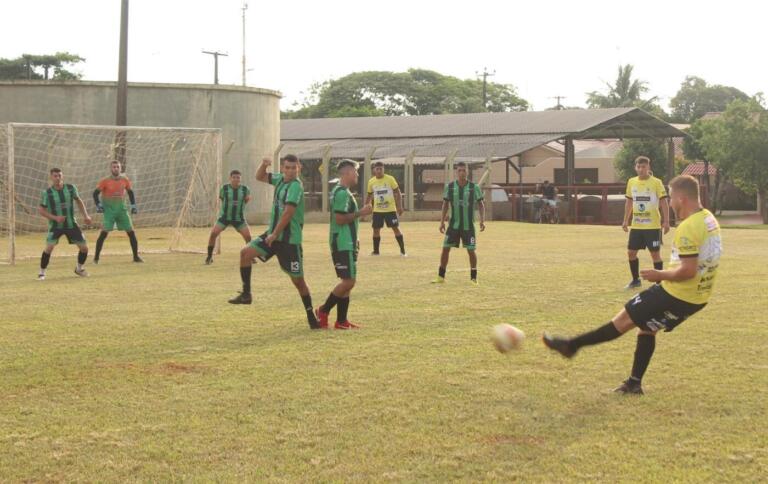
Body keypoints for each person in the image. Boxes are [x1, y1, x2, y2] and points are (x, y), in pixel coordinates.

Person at [543, 175, 721, 395]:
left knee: (624, 319)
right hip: (698, 298)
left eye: (672, 196)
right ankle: (634, 383)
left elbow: (687, 271)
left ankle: (571, 346)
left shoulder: (688, 227)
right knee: (647, 328)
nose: (670, 201)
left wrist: (660, 274)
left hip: (677, 293)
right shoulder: (709, 219)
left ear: (682, 198)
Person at [228, 155, 321, 330]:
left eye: (294, 168)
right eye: (288, 168)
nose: (291, 171)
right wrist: (263, 165)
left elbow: (288, 213)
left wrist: (275, 234)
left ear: (299, 168)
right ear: (283, 168)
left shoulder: (296, 187)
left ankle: (311, 317)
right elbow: (259, 176)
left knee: (298, 282)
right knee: (245, 253)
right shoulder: (279, 180)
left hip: (289, 241)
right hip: (273, 235)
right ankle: (246, 294)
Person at [316, 160, 373, 329]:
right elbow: (340, 219)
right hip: (342, 242)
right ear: (347, 173)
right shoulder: (341, 193)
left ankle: (341, 321)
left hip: (348, 241)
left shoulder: (343, 192)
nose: (357, 175)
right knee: (349, 282)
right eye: (355, 172)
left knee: (348, 281)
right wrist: (361, 213)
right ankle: (323, 310)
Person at [431, 162, 486, 285]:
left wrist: (482, 220)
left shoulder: (474, 187)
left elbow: (481, 204)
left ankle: (474, 278)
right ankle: (441, 277)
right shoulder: (450, 187)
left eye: (464, 170)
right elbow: (445, 204)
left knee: (471, 251)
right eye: (460, 170)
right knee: (445, 249)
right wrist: (441, 222)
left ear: (467, 172)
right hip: (453, 226)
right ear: (457, 172)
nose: (462, 172)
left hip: (468, 227)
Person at [622, 156, 670, 289]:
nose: (641, 169)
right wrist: (625, 220)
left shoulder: (656, 182)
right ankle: (635, 280)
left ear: (648, 167)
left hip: (652, 226)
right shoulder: (631, 182)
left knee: (655, 254)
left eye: (643, 167)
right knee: (631, 253)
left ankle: (659, 283)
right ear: (635, 167)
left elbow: (664, 202)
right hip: (637, 226)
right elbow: (629, 202)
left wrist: (666, 221)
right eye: (639, 167)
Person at [38, 167, 93, 279]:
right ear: (51, 177)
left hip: (71, 224)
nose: (58, 178)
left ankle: (79, 269)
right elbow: (41, 210)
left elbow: (78, 200)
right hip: (55, 226)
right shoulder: (47, 193)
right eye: (55, 176)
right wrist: (55, 218)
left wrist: (86, 215)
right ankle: (42, 273)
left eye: (59, 175)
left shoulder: (71, 188)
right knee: (49, 248)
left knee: (84, 248)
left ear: (62, 176)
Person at [92, 160, 142, 263]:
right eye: (114, 167)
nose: (116, 169)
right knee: (104, 234)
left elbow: (130, 192)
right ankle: (96, 258)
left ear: (120, 168)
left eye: (117, 167)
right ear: (111, 169)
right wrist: (99, 205)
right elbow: (95, 194)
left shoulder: (125, 180)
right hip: (109, 211)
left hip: (122, 210)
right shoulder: (105, 181)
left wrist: (133, 206)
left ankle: (136, 257)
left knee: (131, 232)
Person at [205, 170, 252, 264]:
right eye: (234, 177)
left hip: (239, 218)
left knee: (248, 237)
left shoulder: (245, 189)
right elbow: (222, 198)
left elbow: (247, 199)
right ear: (230, 178)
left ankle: (250, 256)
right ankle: (209, 257)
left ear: (240, 178)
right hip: (224, 217)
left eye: (238, 177)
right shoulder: (224, 188)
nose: (236, 179)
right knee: (213, 234)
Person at [365, 161, 406, 256]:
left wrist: (399, 206)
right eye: (377, 169)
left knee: (395, 228)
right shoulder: (371, 181)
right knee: (376, 230)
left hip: (390, 210)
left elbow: (398, 192)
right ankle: (376, 251)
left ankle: (403, 251)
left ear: (384, 169)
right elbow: (369, 195)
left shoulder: (390, 179)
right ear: (374, 170)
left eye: (381, 169)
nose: (379, 171)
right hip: (377, 211)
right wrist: (366, 206)